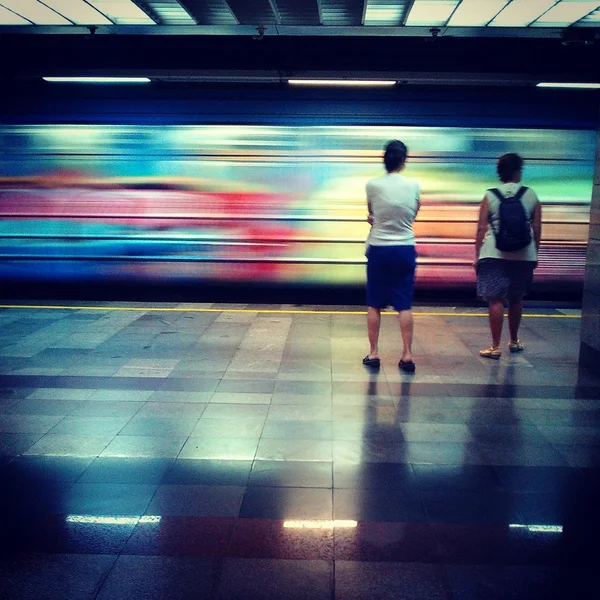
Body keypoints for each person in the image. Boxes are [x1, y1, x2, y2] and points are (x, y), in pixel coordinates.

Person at [475, 153, 542, 359]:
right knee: (516, 298)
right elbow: (537, 226)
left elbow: (481, 228)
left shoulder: (490, 195)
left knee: (495, 300)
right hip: (523, 254)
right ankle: (513, 341)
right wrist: (534, 253)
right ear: (517, 171)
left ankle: (495, 347)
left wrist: (477, 255)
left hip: (493, 254)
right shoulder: (530, 194)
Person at [362, 140, 420, 372]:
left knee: (374, 303)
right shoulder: (414, 185)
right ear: (404, 161)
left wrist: (377, 221)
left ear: (384, 159)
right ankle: (407, 355)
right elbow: (413, 213)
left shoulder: (372, 185)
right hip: (405, 248)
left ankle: (374, 353)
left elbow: (372, 213)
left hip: (378, 248)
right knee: (404, 304)